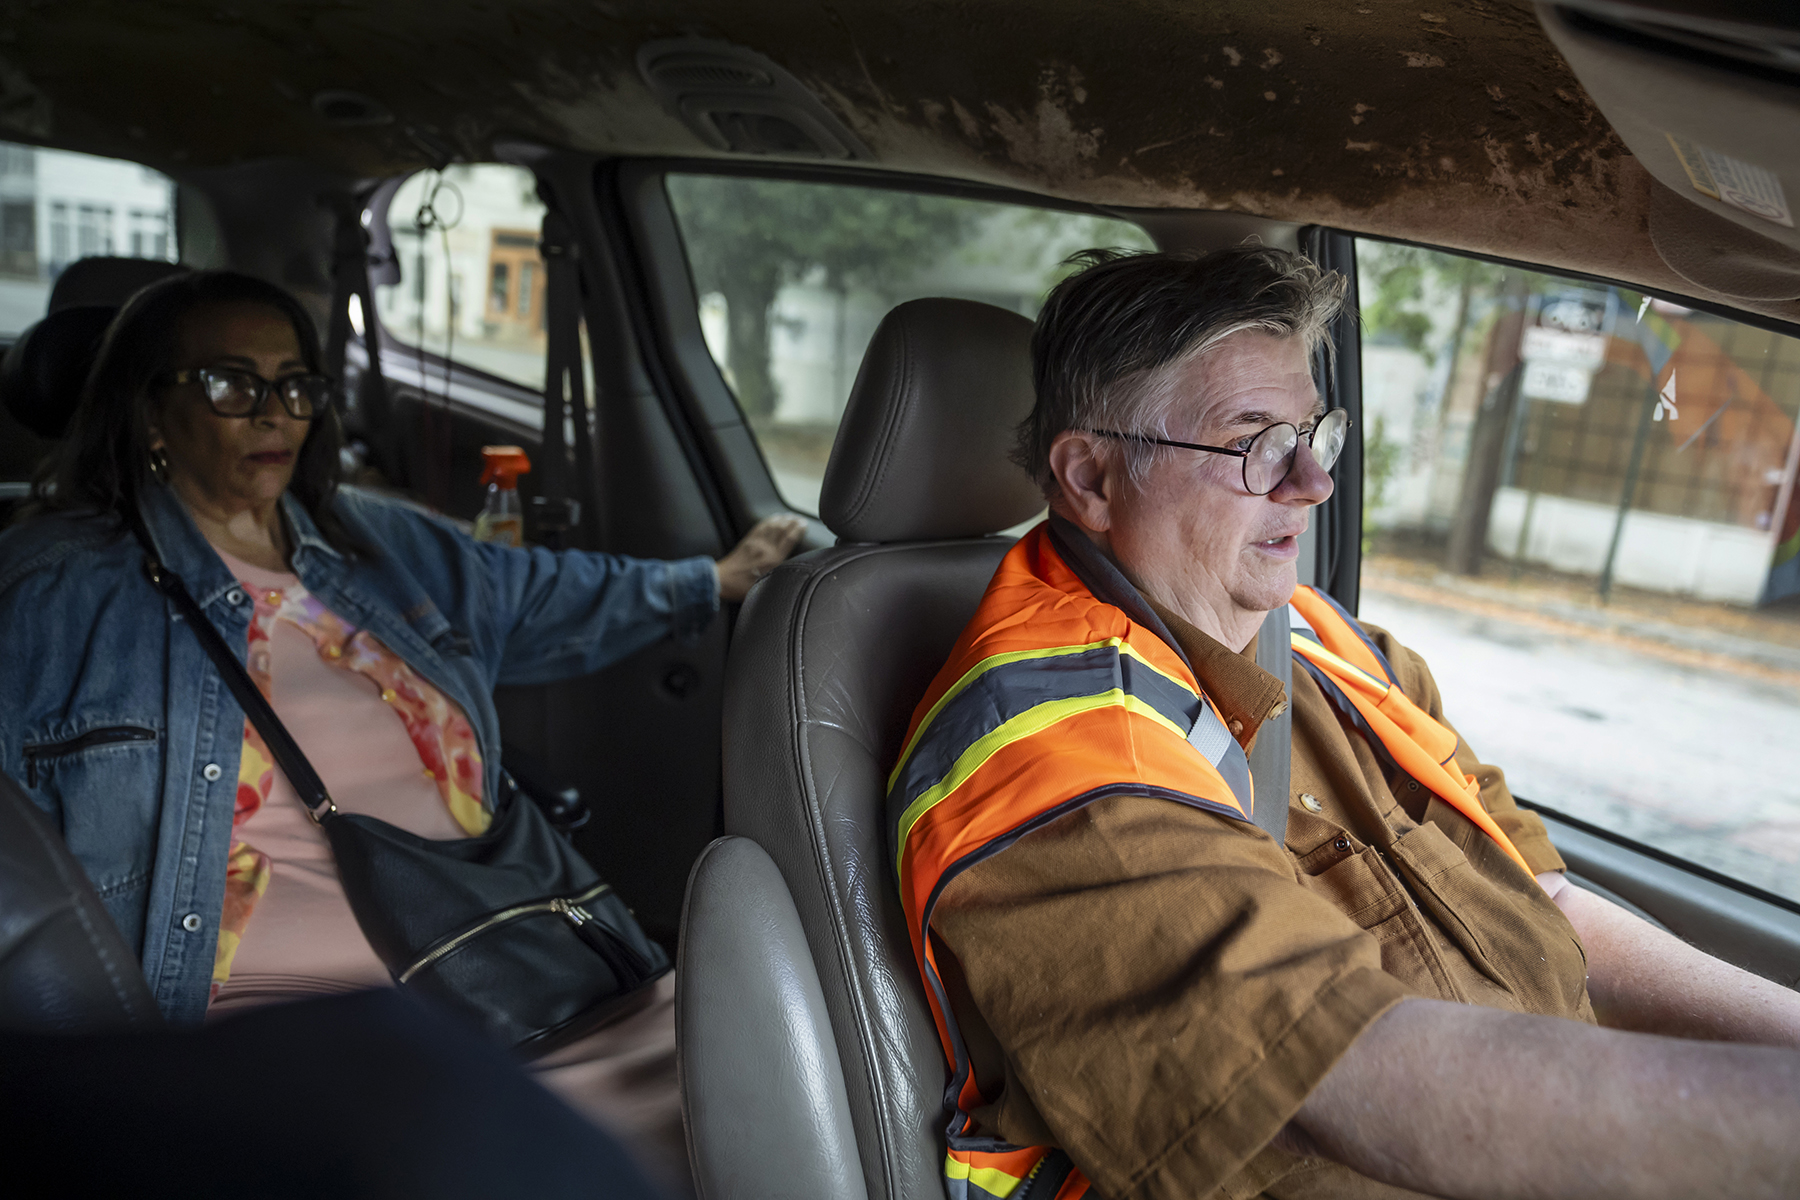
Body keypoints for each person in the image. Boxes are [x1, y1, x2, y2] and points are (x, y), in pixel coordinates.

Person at [891, 246, 1800, 1200]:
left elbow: (1550, 902)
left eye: (1312, 434)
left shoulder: (1335, 646)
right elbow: (1344, 1068)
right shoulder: (1048, 751)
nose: (1311, 484)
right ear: (1093, 479)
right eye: (1252, 443)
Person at [0, 269, 804, 1191]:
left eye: (296, 386)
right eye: (232, 384)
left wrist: (711, 582)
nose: (274, 413)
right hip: (301, 1047)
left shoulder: (383, 547)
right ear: (147, 411)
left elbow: (544, 593)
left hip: (528, 982)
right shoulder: (48, 593)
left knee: (777, 1106)